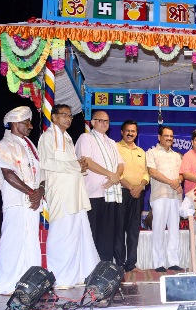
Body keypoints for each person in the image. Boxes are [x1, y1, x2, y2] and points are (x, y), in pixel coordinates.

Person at [38, 104, 99, 288]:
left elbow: (70, 165)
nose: (68, 118)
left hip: (74, 192)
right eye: (63, 115)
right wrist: (75, 166)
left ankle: (78, 274)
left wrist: (79, 166)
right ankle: (60, 277)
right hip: (60, 192)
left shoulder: (67, 137)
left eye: (70, 115)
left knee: (77, 234)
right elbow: (46, 162)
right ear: (54, 117)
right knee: (62, 234)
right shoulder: (48, 137)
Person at [0, 106, 44, 294]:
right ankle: (8, 284)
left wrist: (40, 191)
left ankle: (31, 283)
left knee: (31, 243)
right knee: (13, 243)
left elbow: (41, 173)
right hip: (15, 202)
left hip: (32, 202)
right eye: (26, 122)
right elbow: (8, 174)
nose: (31, 126)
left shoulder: (30, 145)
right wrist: (31, 192)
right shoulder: (3, 145)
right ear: (14, 123)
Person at [75, 110, 124, 264]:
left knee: (108, 234)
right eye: (100, 120)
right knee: (92, 233)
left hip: (110, 194)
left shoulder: (111, 142)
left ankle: (105, 266)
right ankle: (89, 267)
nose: (104, 123)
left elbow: (121, 164)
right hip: (92, 195)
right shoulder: (86, 138)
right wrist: (111, 174)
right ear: (92, 122)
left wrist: (116, 176)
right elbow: (87, 162)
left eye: (106, 121)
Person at [146, 126, 183, 272]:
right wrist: (171, 182)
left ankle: (173, 261)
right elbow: (152, 172)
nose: (169, 138)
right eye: (166, 136)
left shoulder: (177, 156)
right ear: (159, 137)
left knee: (174, 230)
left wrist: (178, 181)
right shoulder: (151, 153)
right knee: (158, 229)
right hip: (160, 195)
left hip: (175, 196)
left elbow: (182, 174)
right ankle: (159, 262)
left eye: (171, 136)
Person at [116, 120, 149, 273]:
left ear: (136, 133)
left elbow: (146, 173)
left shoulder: (141, 151)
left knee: (133, 230)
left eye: (133, 131)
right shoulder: (115, 148)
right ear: (122, 132)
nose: (130, 133)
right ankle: (119, 263)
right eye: (127, 131)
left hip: (138, 193)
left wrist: (140, 186)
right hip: (122, 192)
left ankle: (131, 264)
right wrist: (130, 187)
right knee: (119, 228)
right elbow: (115, 171)